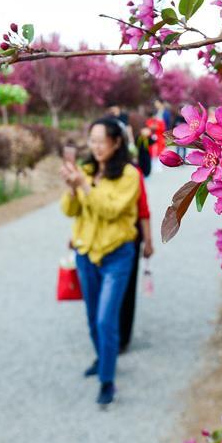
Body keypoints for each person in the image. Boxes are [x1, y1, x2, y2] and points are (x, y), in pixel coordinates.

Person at [60, 118, 140, 407]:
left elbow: (111, 210)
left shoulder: (129, 175)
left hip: (117, 254)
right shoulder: (87, 170)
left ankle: (107, 380)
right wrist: (72, 188)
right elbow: (69, 210)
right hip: (86, 254)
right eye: (91, 140)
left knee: (107, 319)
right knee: (93, 317)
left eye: (101, 141)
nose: (95, 146)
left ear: (116, 142)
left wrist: (84, 185)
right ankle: (102, 358)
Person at [119, 168, 154, 353]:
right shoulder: (94, 170)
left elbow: (143, 210)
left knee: (127, 290)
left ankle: (122, 337)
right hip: (100, 240)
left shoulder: (133, 173)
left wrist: (148, 241)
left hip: (129, 240)